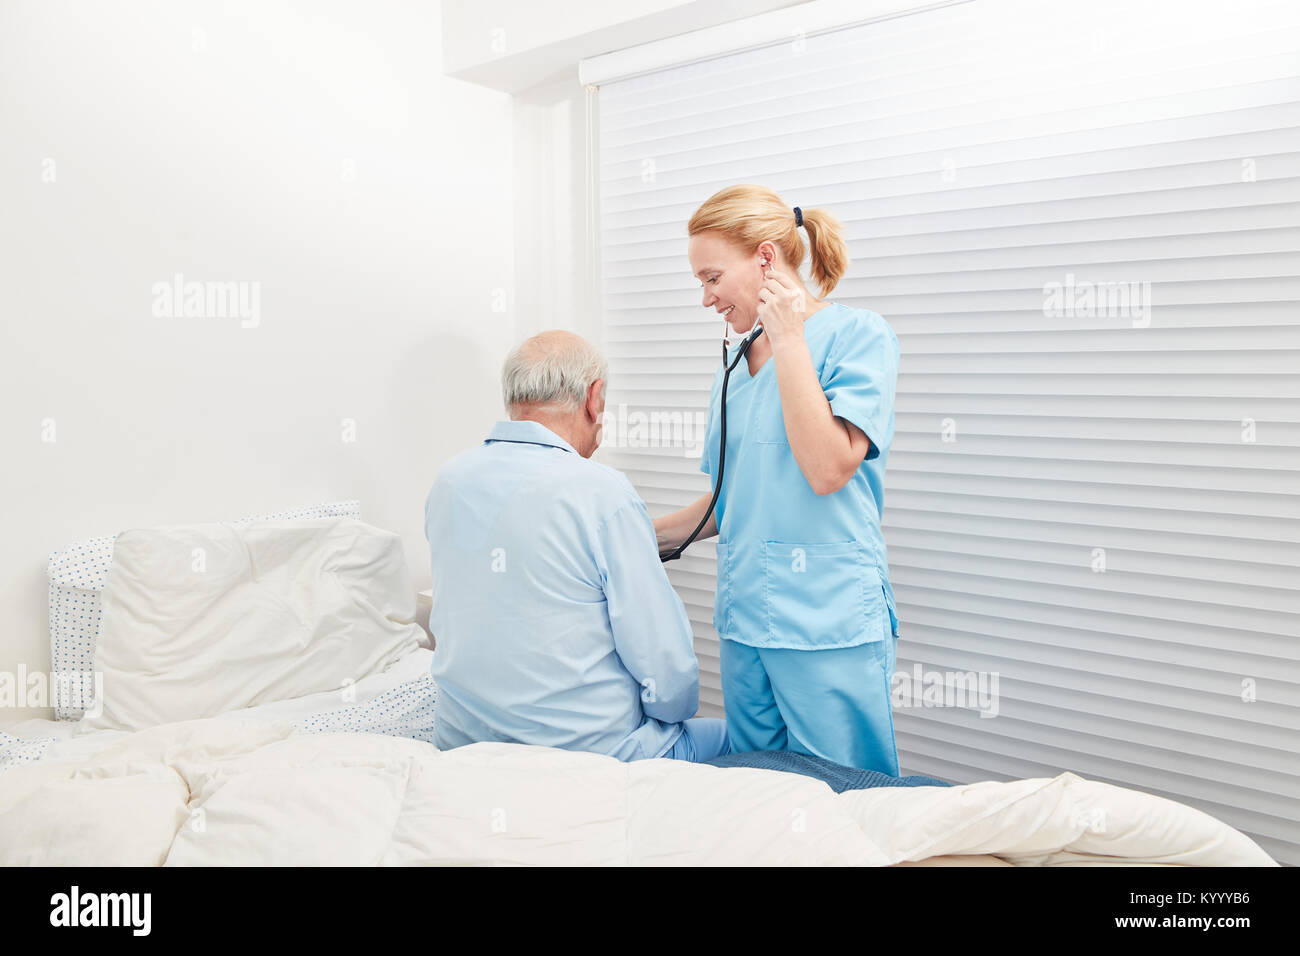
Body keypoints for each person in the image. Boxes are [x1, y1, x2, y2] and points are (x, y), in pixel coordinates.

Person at [653, 185, 902, 773]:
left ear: (766, 259)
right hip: (746, 624)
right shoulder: (737, 367)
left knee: (847, 796)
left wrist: (789, 337)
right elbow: (727, 503)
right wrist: (618, 533)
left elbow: (826, 469)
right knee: (758, 797)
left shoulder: (857, 336)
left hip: (826, 621)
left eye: (712, 278)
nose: (707, 298)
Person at [423, 330, 731, 763]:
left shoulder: (449, 481)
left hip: (464, 746)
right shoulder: (601, 492)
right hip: (591, 757)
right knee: (751, 736)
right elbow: (670, 681)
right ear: (594, 398)